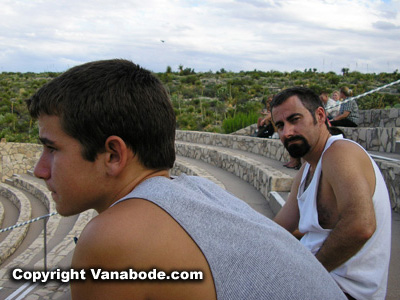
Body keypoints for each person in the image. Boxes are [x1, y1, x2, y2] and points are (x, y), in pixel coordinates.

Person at [27, 60, 346, 300]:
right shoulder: (198, 191)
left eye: (52, 149)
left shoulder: (113, 238)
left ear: (113, 155)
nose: (40, 170)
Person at [270, 87, 392, 300]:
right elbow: (278, 228)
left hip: (342, 290)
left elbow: (361, 226)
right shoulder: (306, 169)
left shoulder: (339, 153)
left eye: (294, 119)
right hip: (320, 280)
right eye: (280, 125)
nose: (286, 132)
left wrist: (309, 275)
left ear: (319, 115)